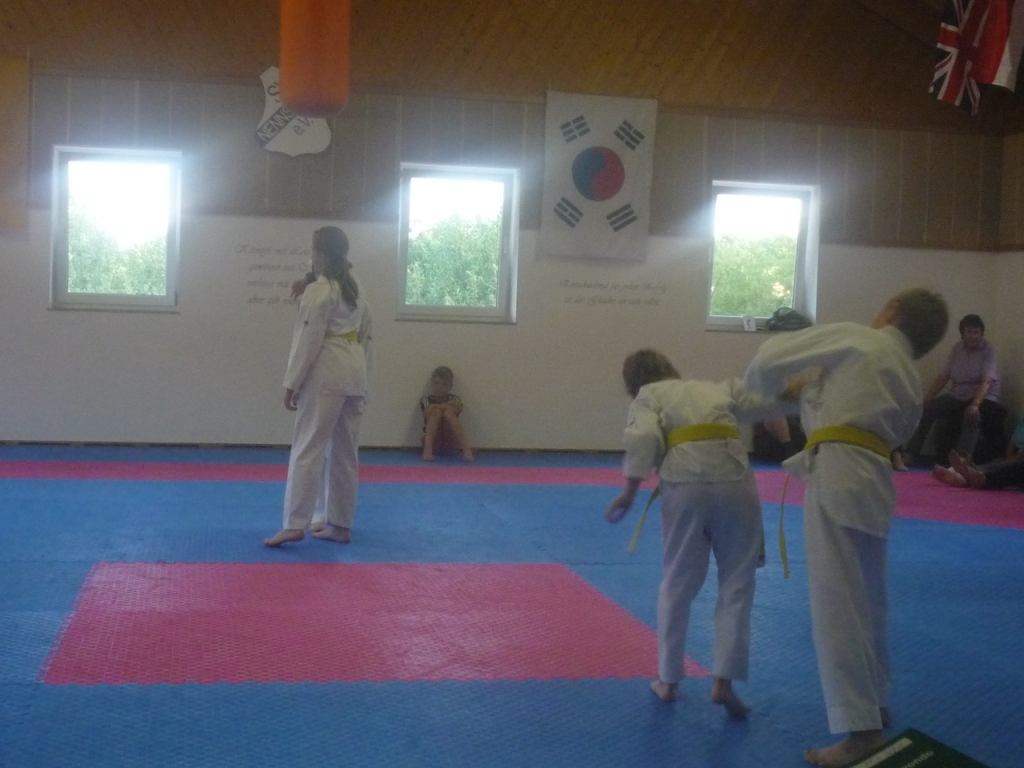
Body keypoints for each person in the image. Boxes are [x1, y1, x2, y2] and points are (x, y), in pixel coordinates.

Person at [742, 287, 949, 768]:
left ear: (891, 310)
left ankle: (861, 732)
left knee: (837, 605)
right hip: (874, 481)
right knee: (869, 602)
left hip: (838, 476)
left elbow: (769, 356)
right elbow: (850, 411)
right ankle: (875, 702)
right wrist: (803, 392)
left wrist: (760, 391)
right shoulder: (906, 375)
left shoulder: (860, 339)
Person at [605, 349, 795, 719]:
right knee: (737, 581)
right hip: (734, 478)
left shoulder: (648, 396)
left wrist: (630, 489)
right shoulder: (716, 388)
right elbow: (765, 402)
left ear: (632, 385)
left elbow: (643, 435)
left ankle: (668, 681)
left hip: (684, 483)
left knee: (678, 580)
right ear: (672, 369)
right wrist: (801, 390)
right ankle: (724, 682)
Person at [264, 226, 373, 547]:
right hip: (354, 370)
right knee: (345, 453)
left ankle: (295, 523)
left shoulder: (320, 291)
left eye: (313, 252)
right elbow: (367, 331)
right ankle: (340, 525)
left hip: (327, 372)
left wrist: (291, 383)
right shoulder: (355, 286)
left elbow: (307, 341)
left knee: (307, 448)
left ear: (320, 254)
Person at [905, 314, 1005, 465]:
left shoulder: (989, 350)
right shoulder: (957, 348)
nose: (973, 336)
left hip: (983, 395)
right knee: (928, 409)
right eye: (969, 332)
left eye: (976, 332)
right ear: (962, 334)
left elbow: (986, 381)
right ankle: (910, 453)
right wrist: (927, 398)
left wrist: (975, 404)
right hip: (958, 394)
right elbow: (943, 377)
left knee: (971, 415)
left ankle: (962, 461)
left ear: (981, 333)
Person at [933, 414, 1024, 490]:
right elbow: (1011, 446)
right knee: (999, 462)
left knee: (1015, 467)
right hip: (1015, 457)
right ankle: (964, 475)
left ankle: (981, 478)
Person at [420, 366, 474, 462]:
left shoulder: (455, 398)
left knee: (449, 413)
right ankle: (427, 451)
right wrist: (445, 406)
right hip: (434, 442)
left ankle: (466, 450)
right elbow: (427, 412)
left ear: (450, 386)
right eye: (437, 383)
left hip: (451, 441)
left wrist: (436, 406)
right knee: (436, 413)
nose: (440, 387)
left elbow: (458, 408)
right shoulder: (426, 400)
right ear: (431, 383)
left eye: (444, 384)